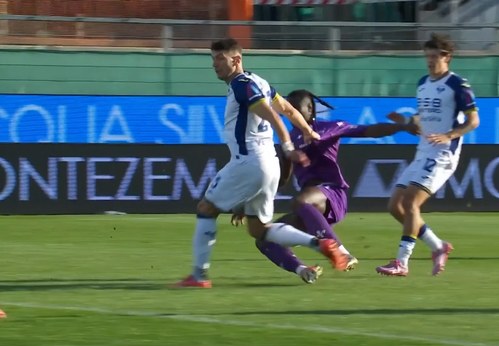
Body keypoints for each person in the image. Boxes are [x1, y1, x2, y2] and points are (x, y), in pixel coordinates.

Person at [175, 38, 350, 288]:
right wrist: (307, 130)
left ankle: (199, 276)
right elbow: (288, 109)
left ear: (236, 60)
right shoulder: (261, 82)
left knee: (206, 208)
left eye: (219, 59)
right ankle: (319, 243)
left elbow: (273, 115)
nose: (214, 64)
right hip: (269, 165)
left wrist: (288, 144)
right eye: (212, 58)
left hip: (250, 161)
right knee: (258, 229)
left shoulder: (241, 84)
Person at [232, 89, 420, 283]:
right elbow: (280, 180)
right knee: (263, 239)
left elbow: (368, 130)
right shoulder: (288, 139)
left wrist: (402, 127)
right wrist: (250, 204)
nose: (291, 111)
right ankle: (304, 270)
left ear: (310, 109)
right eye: (289, 107)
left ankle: (341, 252)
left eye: (297, 107)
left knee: (301, 200)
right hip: (309, 209)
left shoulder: (329, 128)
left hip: (332, 195)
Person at [376, 33, 480, 277]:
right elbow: (420, 122)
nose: (430, 61)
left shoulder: (458, 85)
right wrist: (404, 121)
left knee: (411, 202)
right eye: (427, 57)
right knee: (395, 206)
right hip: (423, 151)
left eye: (435, 57)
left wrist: (450, 135)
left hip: (443, 153)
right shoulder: (423, 83)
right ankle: (437, 246)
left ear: (447, 58)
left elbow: (474, 121)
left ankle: (402, 262)